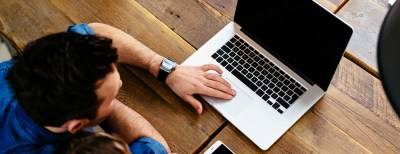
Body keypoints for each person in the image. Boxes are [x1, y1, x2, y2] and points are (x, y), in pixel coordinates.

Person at [0, 23, 236, 153]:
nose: (121, 83)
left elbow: (96, 32)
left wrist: (163, 69)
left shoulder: (41, 64)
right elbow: (155, 149)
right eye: (114, 95)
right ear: (77, 126)